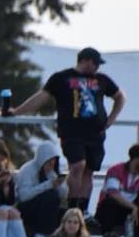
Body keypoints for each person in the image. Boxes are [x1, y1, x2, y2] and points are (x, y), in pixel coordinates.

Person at [10, 47, 126, 219]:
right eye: (95, 64)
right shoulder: (61, 78)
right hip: (72, 133)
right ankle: (73, 208)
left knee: (89, 170)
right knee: (77, 165)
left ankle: (84, 210)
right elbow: (41, 98)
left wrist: (112, 118)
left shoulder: (102, 80)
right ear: (86, 61)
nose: (97, 68)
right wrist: (17, 111)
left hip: (96, 133)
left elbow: (120, 97)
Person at [15, 140, 69, 237]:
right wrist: (47, 185)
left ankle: (54, 236)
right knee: (49, 195)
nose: (51, 164)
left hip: (47, 209)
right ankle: (40, 234)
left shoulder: (52, 172)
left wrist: (60, 184)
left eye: (54, 161)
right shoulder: (27, 169)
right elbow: (23, 196)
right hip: (27, 208)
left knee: (66, 212)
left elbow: (63, 195)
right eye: (49, 161)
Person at [95, 143, 139, 237]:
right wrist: (134, 207)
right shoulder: (116, 170)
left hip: (129, 212)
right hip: (110, 210)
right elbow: (113, 194)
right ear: (135, 159)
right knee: (110, 202)